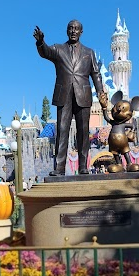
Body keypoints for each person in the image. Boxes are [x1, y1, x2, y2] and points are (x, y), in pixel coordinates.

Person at [34, 20, 105, 176]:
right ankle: (59, 167)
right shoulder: (59, 49)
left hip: (83, 94)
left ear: (81, 32)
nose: (73, 31)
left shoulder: (89, 52)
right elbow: (45, 52)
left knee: (83, 132)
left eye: (76, 29)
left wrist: (101, 92)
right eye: (70, 28)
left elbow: (96, 74)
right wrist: (40, 42)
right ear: (67, 31)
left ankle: (83, 167)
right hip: (64, 94)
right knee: (62, 130)